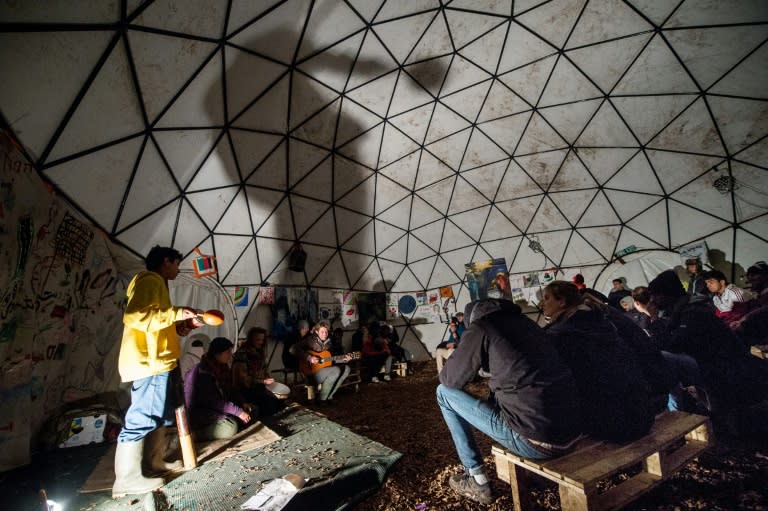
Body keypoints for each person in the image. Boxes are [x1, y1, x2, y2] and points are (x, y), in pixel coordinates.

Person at [437, 299, 583, 505]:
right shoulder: (526, 323)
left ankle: (476, 478)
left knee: (443, 393)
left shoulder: (481, 327)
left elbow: (450, 379)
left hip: (538, 441)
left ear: (472, 318)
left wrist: (461, 354)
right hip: (573, 433)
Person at [112, 245, 202, 497]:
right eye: (176, 263)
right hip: (150, 362)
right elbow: (135, 316)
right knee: (142, 416)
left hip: (162, 360)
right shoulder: (149, 280)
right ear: (165, 261)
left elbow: (155, 323)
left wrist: (179, 327)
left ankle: (154, 462)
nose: (178, 268)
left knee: (160, 414)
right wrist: (176, 313)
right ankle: (126, 479)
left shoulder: (159, 284)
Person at [541, 281, 655, 442]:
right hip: (642, 414)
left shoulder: (563, 334)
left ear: (562, 302)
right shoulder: (601, 321)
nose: (542, 303)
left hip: (612, 424)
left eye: (546, 298)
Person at [644, 270, 768, 417]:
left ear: (667, 294)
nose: (652, 301)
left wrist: (654, 318)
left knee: (666, 358)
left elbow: (671, 344)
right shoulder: (681, 311)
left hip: (726, 369)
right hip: (716, 369)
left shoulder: (693, 312)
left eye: (655, 295)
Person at [184, 337, 254, 440]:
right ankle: (196, 434)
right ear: (217, 354)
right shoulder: (203, 372)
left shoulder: (222, 368)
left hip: (217, 407)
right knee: (230, 427)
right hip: (200, 412)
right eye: (228, 352)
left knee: (251, 410)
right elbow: (213, 402)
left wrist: (242, 403)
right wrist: (238, 412)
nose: (231, 355)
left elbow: (231, 389)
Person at [291, 321, 353, 403]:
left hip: (325, 370)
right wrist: (309, 358)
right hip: (311, 373)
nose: (325, 334)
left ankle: (329, 396)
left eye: (326, 332)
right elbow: (293, 349)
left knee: (347, 368)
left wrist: (343, 359)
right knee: (335, 370)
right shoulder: (310, 340)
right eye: (322, 332)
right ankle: (322, 399)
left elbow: (331, 359)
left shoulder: (329, 343)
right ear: (317, 332)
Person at [232, 327, 282, 416]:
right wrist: (262, 381)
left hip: (258, 387)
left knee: (279, 402)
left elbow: (265, 371)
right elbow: (241, 379)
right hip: (245, 390)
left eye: (262, 340)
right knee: (268, 404)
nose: (261, 342)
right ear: (251, 340)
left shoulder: (259, 353)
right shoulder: (242, 354)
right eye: (258, 340)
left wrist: (268, 379)